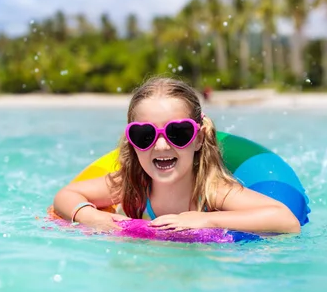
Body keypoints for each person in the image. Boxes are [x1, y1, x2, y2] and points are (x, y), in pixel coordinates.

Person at [52, 76, 301, 234]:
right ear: (132, 142)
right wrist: (91, 217)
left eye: (178, 132)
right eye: (145, 135)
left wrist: (207, 221)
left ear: (198, 139)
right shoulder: (132, 186)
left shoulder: (211, 190)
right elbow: (66, 194)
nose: (161, 146)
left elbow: (286, 219)